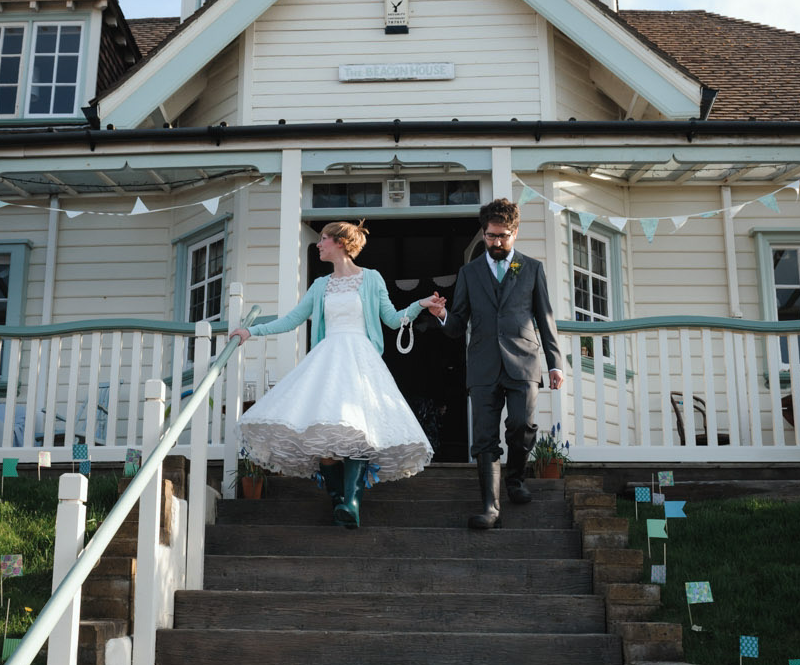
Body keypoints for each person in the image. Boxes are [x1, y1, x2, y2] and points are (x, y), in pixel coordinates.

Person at [229, 220, 445, 528]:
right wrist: (252, 330)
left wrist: (420, 304)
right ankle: (340, 502)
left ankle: (351, 502)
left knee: (356, 428)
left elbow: (394, 319)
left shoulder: (371, 279)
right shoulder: (320, 285)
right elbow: (292, 320)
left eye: (324, 239)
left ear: (341, 243)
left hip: (361, 362)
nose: (318, 244)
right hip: (327, 362)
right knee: (326, 434)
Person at [436, 197, 564, 530]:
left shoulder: (531, 268)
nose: (497, 242)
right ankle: (490, 508)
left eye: (503, 236)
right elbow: (456, 325)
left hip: (524, 361)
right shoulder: (469, 272)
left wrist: (555, 363)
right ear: (483, 233)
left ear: (515, 233)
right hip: (482, 365)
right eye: (491, 236)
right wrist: (442, 315)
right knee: (484, 437)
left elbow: (544, 317)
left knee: (522, 425)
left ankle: (515, 479)